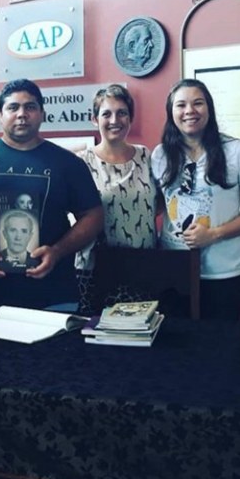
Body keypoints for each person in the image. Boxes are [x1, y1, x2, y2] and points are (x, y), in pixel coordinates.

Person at [0, 77, 103, 318]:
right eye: (13, 107)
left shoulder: (68, 164)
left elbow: (93, 216)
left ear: (42, 114)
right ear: (0, 115)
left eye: (30, 107)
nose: (22, 114)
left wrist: (57, 251)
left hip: (54, 294)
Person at [151, 79, 240, 321]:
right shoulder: (160, 155)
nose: (189, 111)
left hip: (224, 273)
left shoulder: (234, 151)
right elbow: (158, 203)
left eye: (198, 103)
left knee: (222, 341)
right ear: (171, 112)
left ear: (209, 108)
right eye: (181, 105)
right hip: (174, 273)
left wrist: (214, 234)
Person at [75, 84, 157, 313]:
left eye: (122, 113)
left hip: (144, 264)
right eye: (106, 114)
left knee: (141, 329)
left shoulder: (145, 155)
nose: (115, 120)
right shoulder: (81, 162)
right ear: (94, 119)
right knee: (97, 332)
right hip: (96, 269)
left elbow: (157, 201)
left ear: (130, 118)